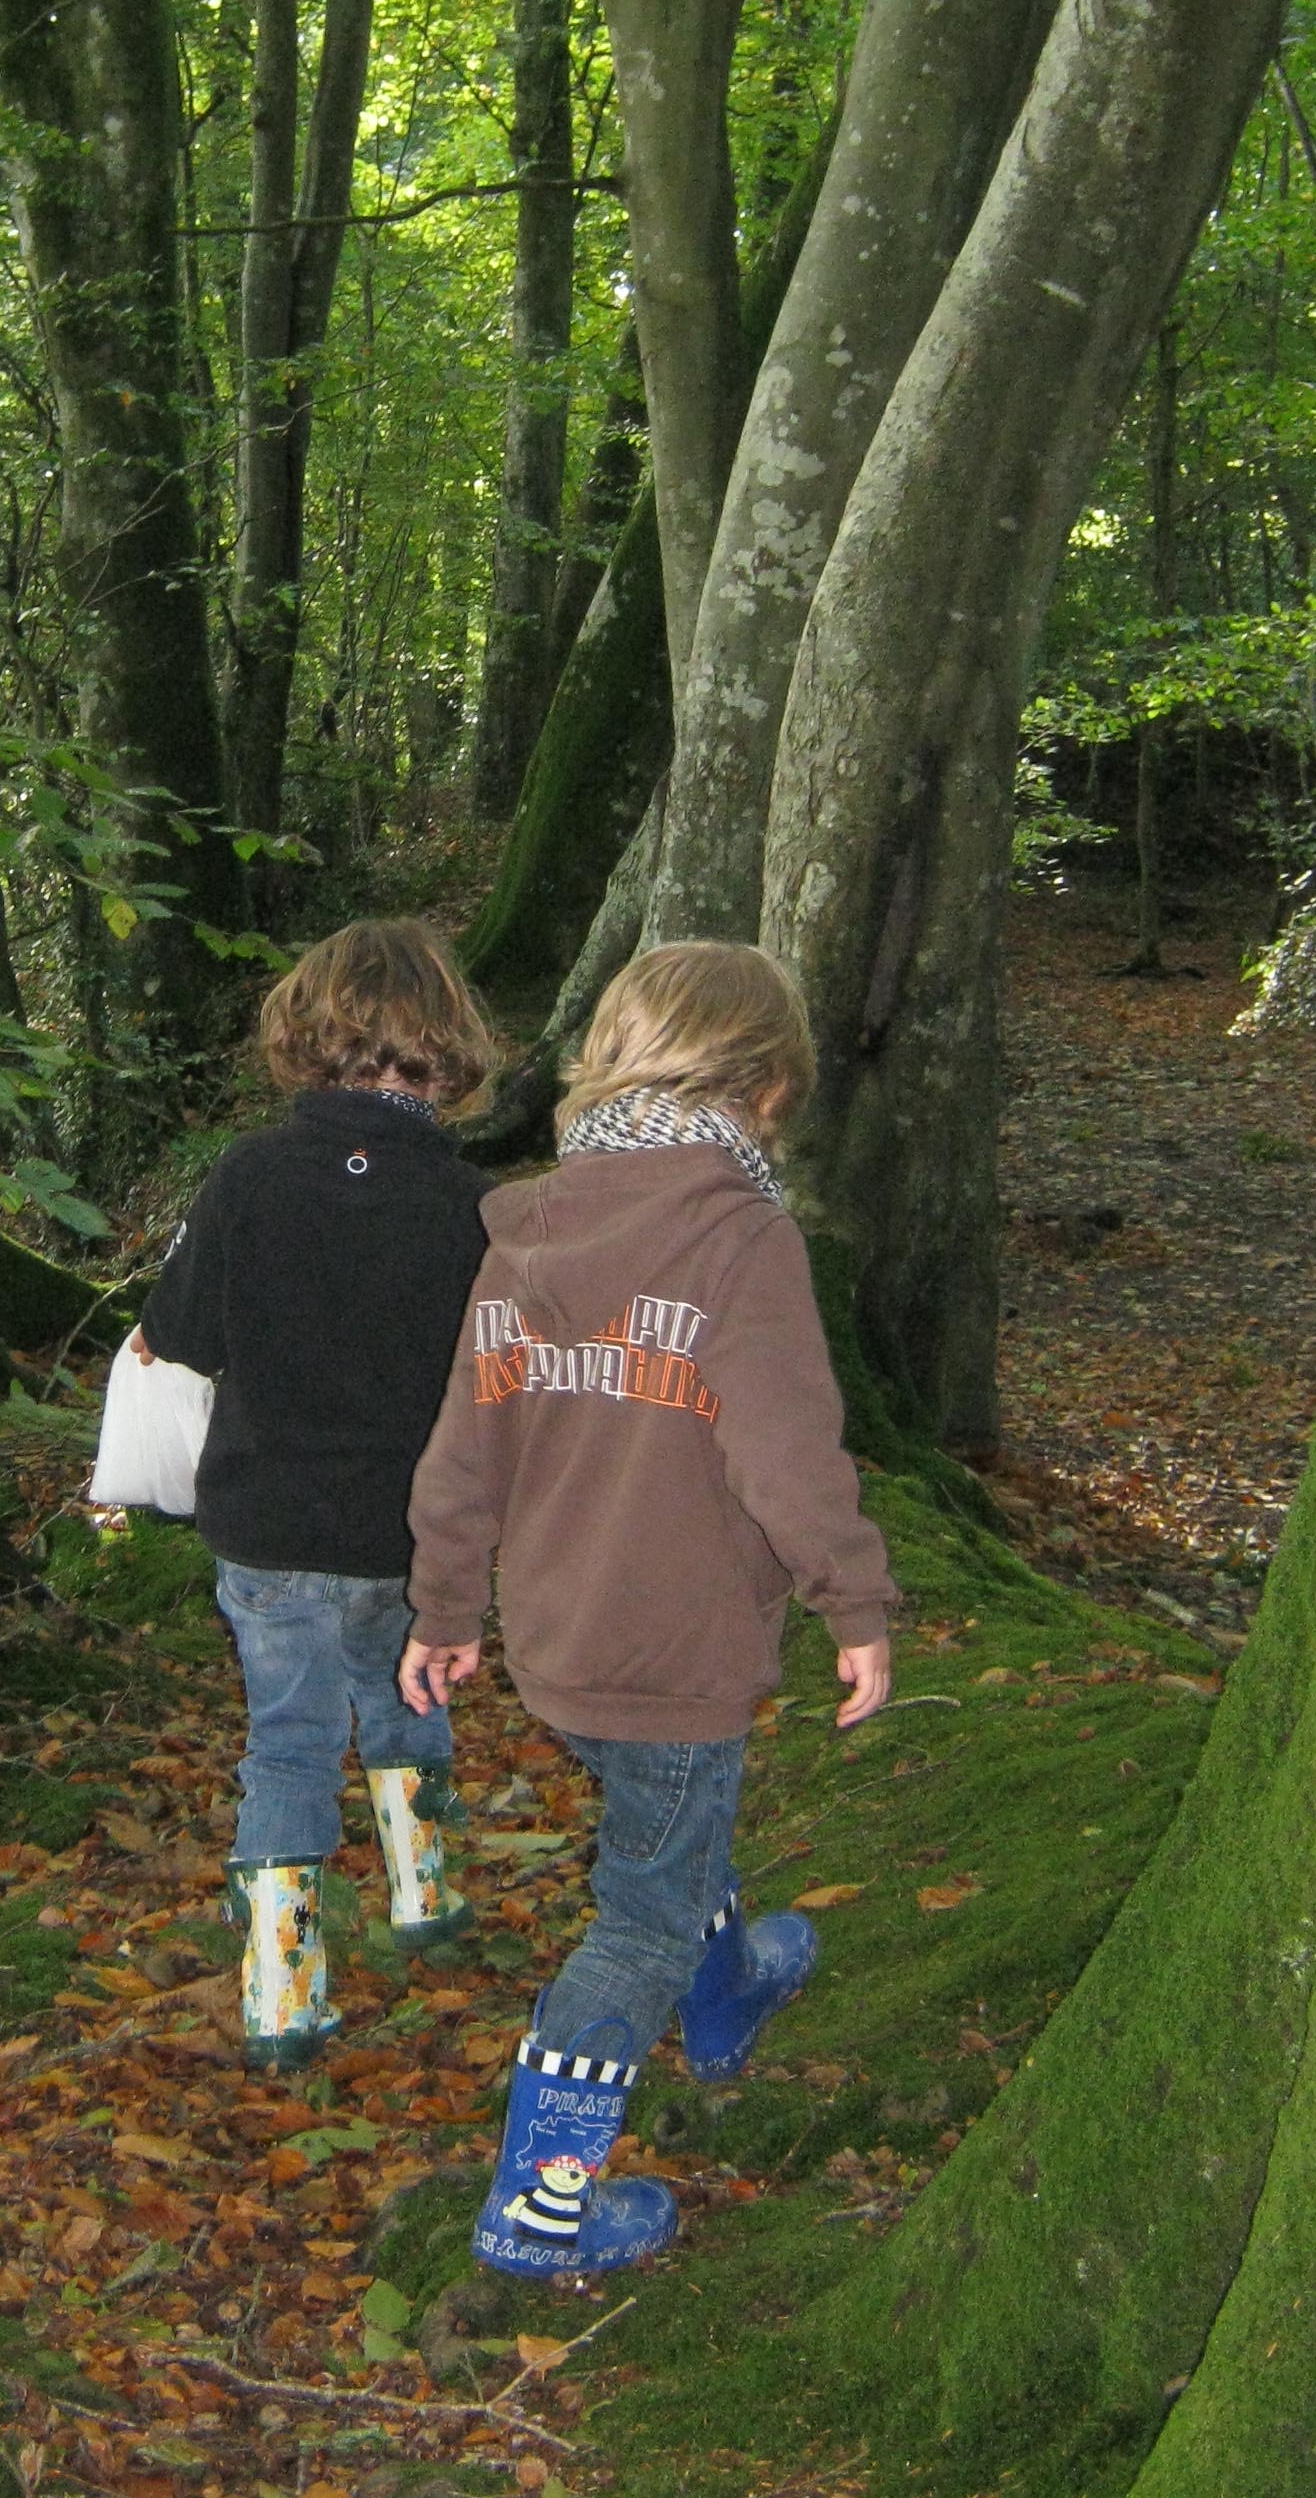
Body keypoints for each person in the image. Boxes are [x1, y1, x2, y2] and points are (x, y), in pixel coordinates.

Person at [402, 940, 896, 2277]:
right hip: (678, 1653)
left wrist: (445, 1608)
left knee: (666, 1829)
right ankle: (539, 2205)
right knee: (639, 1923)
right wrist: (856, 1600)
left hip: (556, 1640)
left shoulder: (530, 1235)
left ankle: (725, 1997)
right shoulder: (741, 1239)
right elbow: (787, 1457)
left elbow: (461, 1458)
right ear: (766, 1089)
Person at [137, 919, 501, 2066]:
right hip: (406, 1530)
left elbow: (181, 1335)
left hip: (270, 1523)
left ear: (306, 1034)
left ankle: (283, 1992)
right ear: (448, 1047)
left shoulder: (249, 1176)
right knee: (408, 1695)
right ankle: (425, 1892)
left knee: (288, 1744)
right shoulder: (472, 1205)